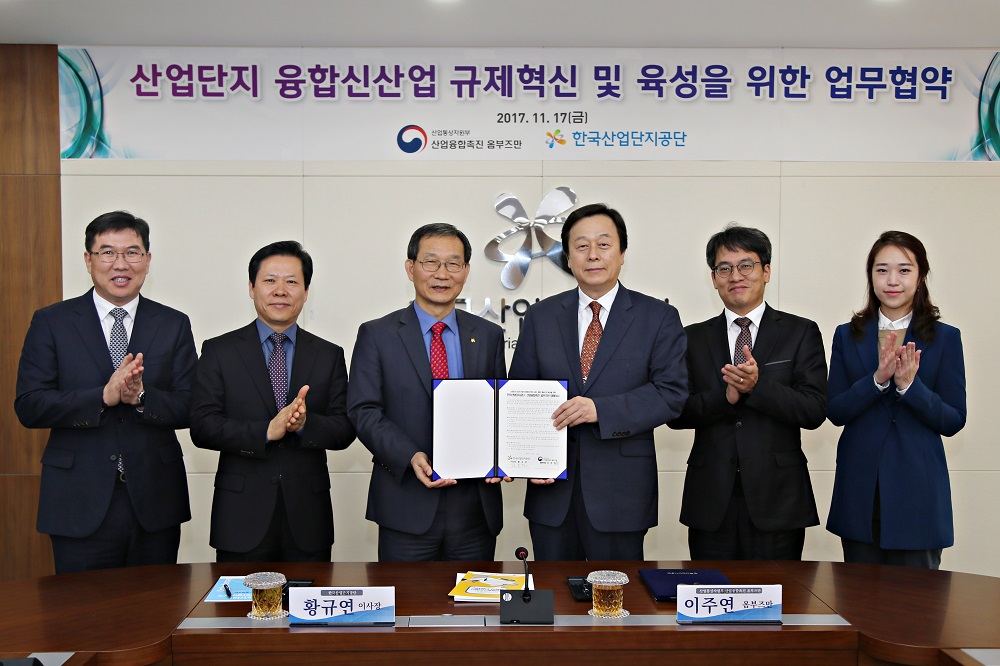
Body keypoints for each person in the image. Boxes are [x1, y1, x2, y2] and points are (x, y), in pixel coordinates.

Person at [15, 210, 197, 574]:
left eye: (132, 252)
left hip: (154, 500)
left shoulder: (173, 323)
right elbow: (30, 405)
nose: (121, 263)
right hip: (77, 499)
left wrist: (141, 398)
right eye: (107, 252)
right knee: (82, 609)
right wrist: (102, 396)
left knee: (155, 605)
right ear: (88, 260)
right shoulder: (51, 322)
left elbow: (191, 405)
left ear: (147, 259)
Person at [508, 203, 687, 561]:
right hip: (552, 492)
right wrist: (526, 460)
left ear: (622, 253)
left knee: (617, 593)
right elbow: (520, 395)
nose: (593, 255)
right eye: (581, 246)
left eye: (604, 244)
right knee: (554, 591)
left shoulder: (658, 317)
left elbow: (671, 394)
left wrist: (599, 410)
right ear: (568, 257)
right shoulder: (541, 316)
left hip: (621, 494)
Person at [348, 223, 507, 561]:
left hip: (474, 510)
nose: (442, 273)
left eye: (453, 263)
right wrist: (409, 455)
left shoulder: (488, 335)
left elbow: (500, 409)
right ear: (411, 268)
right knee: (407, 596)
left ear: (466, 271)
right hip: (406, 504)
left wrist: (504, 455)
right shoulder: (377, 335)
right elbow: (363, 410)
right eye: (430, 262)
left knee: (475, 596)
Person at [190, 241, 355, 562]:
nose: (281, 290)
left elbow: (345, 428)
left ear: (306, 292)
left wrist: (305, 424)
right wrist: (265, 431)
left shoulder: (328, 354)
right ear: (251, 288)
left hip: (308, 518)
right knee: (238, 597)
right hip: (240, 515)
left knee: (309, 596)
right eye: (269, 280)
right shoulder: (219, 351)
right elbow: (202, 425)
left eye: (292, 281)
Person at [669, 224, 826, 560]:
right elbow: (675, 412)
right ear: (714, 278)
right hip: (711, 500)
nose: (735, 276)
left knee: (779, 593)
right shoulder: (691, 338)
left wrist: (758, 388)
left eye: (746, 265)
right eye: (724, 268)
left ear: (766, 271)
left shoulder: (800, 332)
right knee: (710, 592)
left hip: (778, 499)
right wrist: (723, 399)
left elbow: (813, 410)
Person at [826, 231, 966, 569]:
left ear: (920, 276)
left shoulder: (946, 337)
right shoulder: (847, 334)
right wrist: (876, 381)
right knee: (857, 597)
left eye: (904, 270)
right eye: (882, 270)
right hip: (860, 491)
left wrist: (909, 387)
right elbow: (835, 410)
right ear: (870, 276)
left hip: (918, 493)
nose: (892, 280)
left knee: (916, 600)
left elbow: (953, 419)